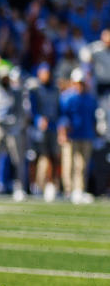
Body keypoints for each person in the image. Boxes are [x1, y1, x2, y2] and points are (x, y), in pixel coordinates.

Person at [0, 66, 28, 200]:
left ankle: (19, 186)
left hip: (12, 128)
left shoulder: (16, 92)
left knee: (17, 158)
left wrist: (17, 123)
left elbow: (22, 110)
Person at [59, 68, 98, 204]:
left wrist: (95, 132)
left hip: (86, 134)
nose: (79, 85)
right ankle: (68, 190)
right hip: (71, 135)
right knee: (69, 163)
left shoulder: (90, 98)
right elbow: (62, 116)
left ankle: (79, 189)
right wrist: (62, 132)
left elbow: (93, 118)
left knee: (82, 165)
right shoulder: (66, 97)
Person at [27, 63, 61, 201]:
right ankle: (34, 185)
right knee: (34, 156)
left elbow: (59, 108)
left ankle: (50, 185)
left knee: (52, 156)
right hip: (38, 128)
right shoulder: (34, 90)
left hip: (53, 127)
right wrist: (38, 119)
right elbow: (31, 109)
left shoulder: (55, 90)